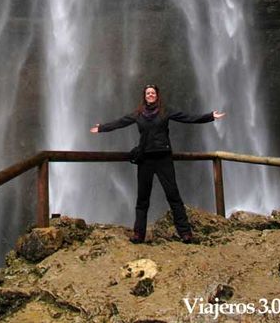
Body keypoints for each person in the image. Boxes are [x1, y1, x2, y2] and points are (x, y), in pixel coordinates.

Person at [90, 84, 225, 243]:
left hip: (163, 158)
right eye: (148, 93)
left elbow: (187, 118)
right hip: (145, 158)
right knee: (142, 198)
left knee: (173, 195)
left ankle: (185, 233)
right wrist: (102, 128)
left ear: (157, 95)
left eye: (153, 93)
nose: (150, 95)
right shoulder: (138, 114)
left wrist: (210, 116)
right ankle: (139, 234)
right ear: (144, 96)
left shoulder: (165, 111)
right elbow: (121, 122)